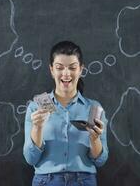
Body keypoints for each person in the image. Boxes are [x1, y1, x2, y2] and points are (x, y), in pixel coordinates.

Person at [23, 41, 109, 186]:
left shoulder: (93, 108)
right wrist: (37, 128)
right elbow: (31, 159)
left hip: (84, 181)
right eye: (59, 68)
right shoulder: (36, 107)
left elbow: (101, 161)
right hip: (45, 181)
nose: (66, 73)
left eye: (72, 67)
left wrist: (95, 139)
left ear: (81, 69)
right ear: (51, 70)